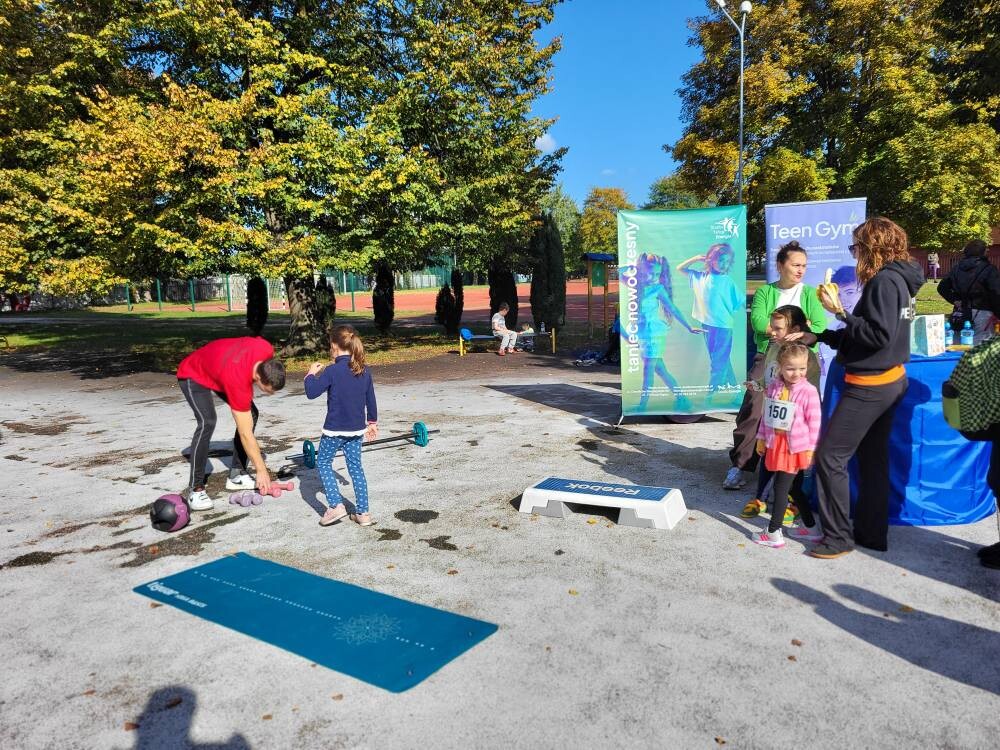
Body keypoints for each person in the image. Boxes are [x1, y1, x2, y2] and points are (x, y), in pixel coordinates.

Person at [790, 216, 925, 559]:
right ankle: (871, 533)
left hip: (871, 385)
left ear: (872, 248)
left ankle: (837, 538)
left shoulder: (885, 282)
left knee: (830, 457)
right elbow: (874, 335)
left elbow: (876, 335)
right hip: (890, 380)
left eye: (856, 247)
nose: (854, 254)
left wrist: (840, 313)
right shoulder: (899, 281)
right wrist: (820, 336)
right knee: (872, 459)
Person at [723, 241, 825, 490]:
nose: (801, 270)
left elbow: (819, 326)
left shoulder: (811, 293)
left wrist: (788, 331)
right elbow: (759, 323)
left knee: (802, 413)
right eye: (795, 265)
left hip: (802, 360)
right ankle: (741, 465)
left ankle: (797, 473)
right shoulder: (764, 293)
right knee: (754, 408)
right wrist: (798, 328)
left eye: (804, 265)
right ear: (780, 265)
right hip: (768, 354)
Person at [176, 336, 286, 510]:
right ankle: (195, 489)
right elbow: (245, 433)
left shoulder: (265, 349)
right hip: (193, 373)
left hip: (219, 369)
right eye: (269, 391)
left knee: (252, 413)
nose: (270, 394)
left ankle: (236, 474)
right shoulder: (237, 381)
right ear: (258, 376)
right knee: (207, 422)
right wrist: (261, 470)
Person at [740, 305, 821, 524]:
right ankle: (760, 498)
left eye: (778, 328)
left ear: (794, 329)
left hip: (795, 429)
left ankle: (789, 509)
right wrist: (757, 385)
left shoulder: (805, 358)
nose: (771, 332)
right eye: (772, 327)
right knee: (767, 459)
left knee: (791, 472)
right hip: (773, 418)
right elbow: (769, 377)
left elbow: (808, 395)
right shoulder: (774, 348)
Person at [304, 325, 378, 527]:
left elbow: (311, 392)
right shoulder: (363, 370)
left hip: (334, 431)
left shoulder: (332, 371)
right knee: (356, 467)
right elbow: (370, 399)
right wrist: (372, 422)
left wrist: (310, 374)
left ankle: (336, 505)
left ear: (335, 346)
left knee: (324, 462)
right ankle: (363, 513)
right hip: (356, 430)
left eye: (330, 345)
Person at [750, 342, 823, 548]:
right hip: (776, 444)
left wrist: (810, 449)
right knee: (795, 488)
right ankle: (810, 528)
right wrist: (761, 438)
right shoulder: (774, 387)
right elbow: (767, 416)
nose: (796, 373)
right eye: (790, 368)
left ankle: (773, 532)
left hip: (795, 448)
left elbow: (815, 422)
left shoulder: (808, 391)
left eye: (802, 368)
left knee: (781, 489)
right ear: (780, 367)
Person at [677, 244, 744, 407]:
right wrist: (696, 258)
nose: (724, 264)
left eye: (727, 261)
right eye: (721, 260)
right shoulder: (700, 277)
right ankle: (737, 394)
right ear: (711, 260)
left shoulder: (727, 281)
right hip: (707, 326)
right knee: (723, 361)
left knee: (717, 363)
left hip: (722, 328)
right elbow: (680, 268)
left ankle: (710, 396)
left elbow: (740, 301)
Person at [636, 253, 703, 411]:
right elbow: (621, 273)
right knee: (660, 369)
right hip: (643, 333)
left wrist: (688, 326)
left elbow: (672, 308)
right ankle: (682, 399)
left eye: (657, 274)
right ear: (642, 270)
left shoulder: (657, 289)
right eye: (649, 272)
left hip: (654, 333)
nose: (653, 276)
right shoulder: (635, 284)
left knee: (648, 370)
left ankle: (642, 406)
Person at [938, 239, 1000, 341]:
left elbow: (942, 287)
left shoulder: (956, 268)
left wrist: (955, 300)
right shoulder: (989, 269)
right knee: (980, 349)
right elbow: (996, 293)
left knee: (958, 346)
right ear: (983, 252)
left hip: (961, 312)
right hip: (983, 314)